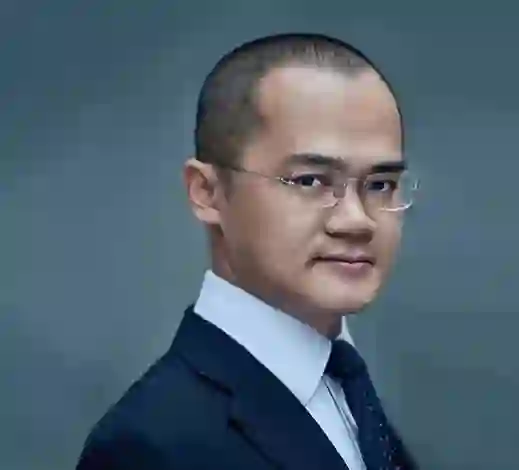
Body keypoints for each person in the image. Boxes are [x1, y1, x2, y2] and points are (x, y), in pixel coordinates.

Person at [76, 33, 419, 470]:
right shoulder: (148, 445)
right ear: (207, 193)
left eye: (381, 184)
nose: (357, 220)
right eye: (310, 181)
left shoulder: (348, 389)